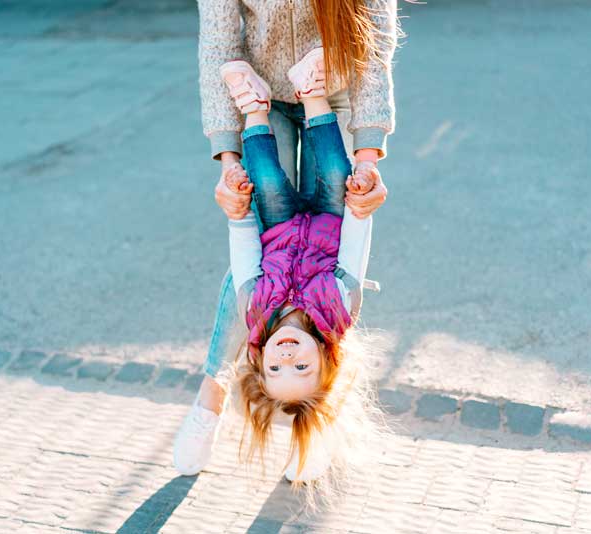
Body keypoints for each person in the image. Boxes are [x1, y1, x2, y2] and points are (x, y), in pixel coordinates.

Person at [174, 0, 398, 482]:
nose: (283, 362)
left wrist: (368, 153)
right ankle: (211, 396)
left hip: (335, 85)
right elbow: (218, 38)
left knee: (260, 287)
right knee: (260, 254)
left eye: (276, 370)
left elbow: (374, 28)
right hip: (260, 91)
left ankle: (315, 420)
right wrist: (228, 157)